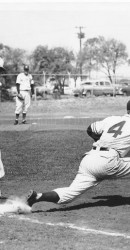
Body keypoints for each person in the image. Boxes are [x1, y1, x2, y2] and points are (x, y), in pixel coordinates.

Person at [26, 100, 130, 208]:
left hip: (89, 159)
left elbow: (91, 129)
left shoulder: (112, 119)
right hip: (109, 162)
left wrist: (104, 142)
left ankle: (37, 196)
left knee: (68, 195)